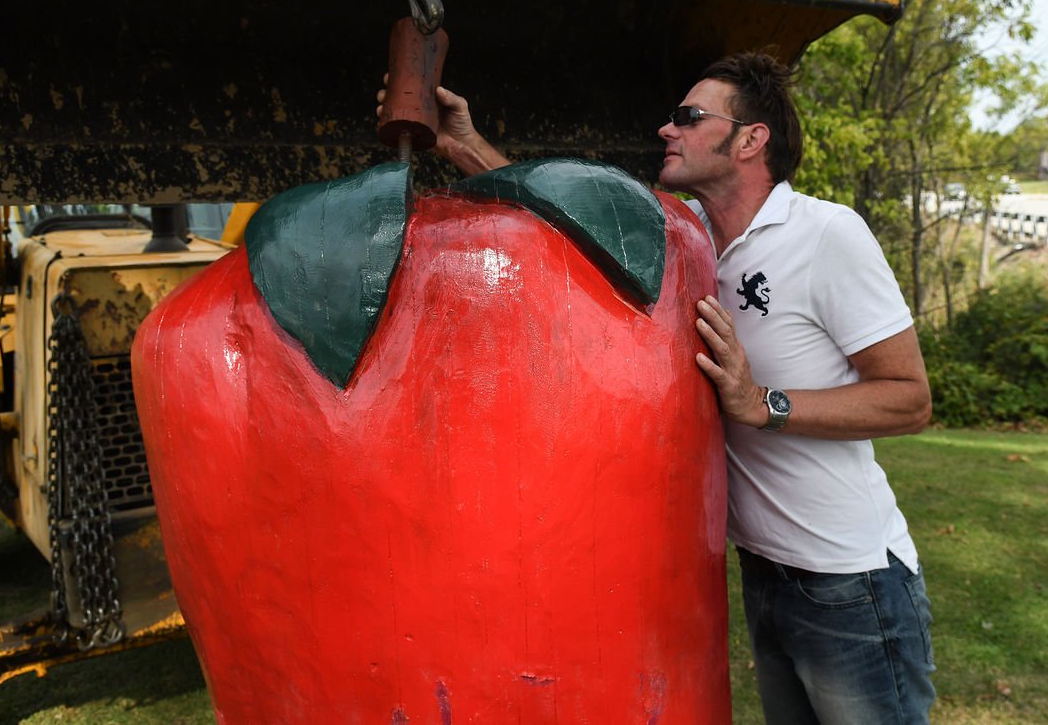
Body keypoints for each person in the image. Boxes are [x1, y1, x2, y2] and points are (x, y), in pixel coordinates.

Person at [378, 51, 936, 724]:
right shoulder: (690, 237)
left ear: (751, 139)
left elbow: (909, 396)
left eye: (689, 117)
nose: (667, 130)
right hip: (765, 571)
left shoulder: (825, 233)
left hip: (853, 580)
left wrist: (764, 404)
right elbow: (568, 220)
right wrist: (463, 143)